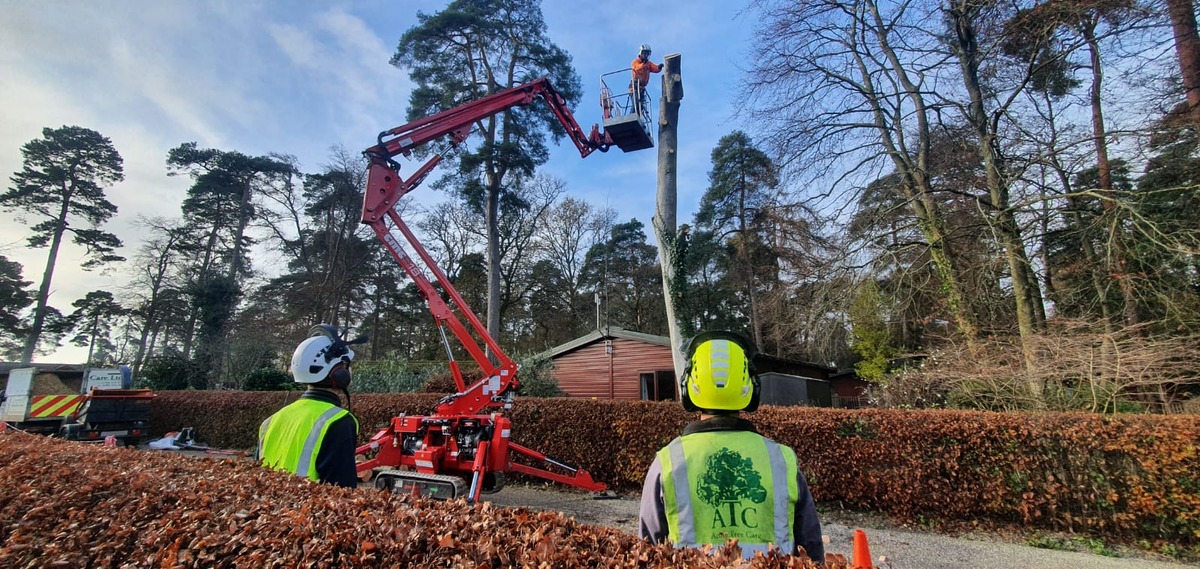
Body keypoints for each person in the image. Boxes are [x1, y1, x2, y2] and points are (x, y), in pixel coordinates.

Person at [638, 331, 825, 561]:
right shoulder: (781, 459)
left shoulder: (668, 461)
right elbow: (812, 550)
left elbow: (646, 551)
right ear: (751, 387)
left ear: (688, 388)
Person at [257, 324, 361, 488]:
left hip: (269, 510)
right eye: (345, 366)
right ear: (338, 374)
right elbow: (342, 491)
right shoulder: (339, 422)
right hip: (306, 511)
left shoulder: (271, 420)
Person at [630, 43, 662, 114]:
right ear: (641, 53)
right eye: (645, 53)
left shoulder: (648, 63)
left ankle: (638, 117)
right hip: (634, 87)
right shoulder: (635, 62)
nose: (646, 55)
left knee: (641, 106)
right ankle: (631, 117)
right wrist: (643, 65)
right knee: (635, 103)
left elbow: (654, 68)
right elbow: (636, 68)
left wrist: (659, 67)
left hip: (641, 88)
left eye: (647, 54)